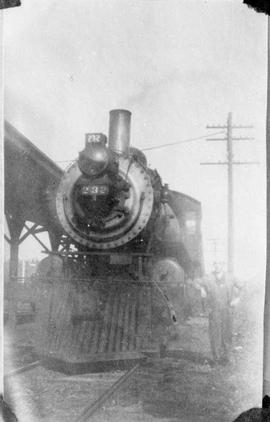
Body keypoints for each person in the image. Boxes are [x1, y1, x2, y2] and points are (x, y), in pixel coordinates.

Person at [194, 262, 242, 365]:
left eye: (219, 264)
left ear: (223, 265)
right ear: (213, 265)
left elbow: (242, 286)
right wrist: (202, 289)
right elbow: (195, 282)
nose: (217, 266)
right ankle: (216, 359)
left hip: (227, 310)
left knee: (227, 333)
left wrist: (237, 299)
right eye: (215, 264)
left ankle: (228, 357)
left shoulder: (230, 277)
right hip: (214, 310)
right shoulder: (208, 278)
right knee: (215, 335)